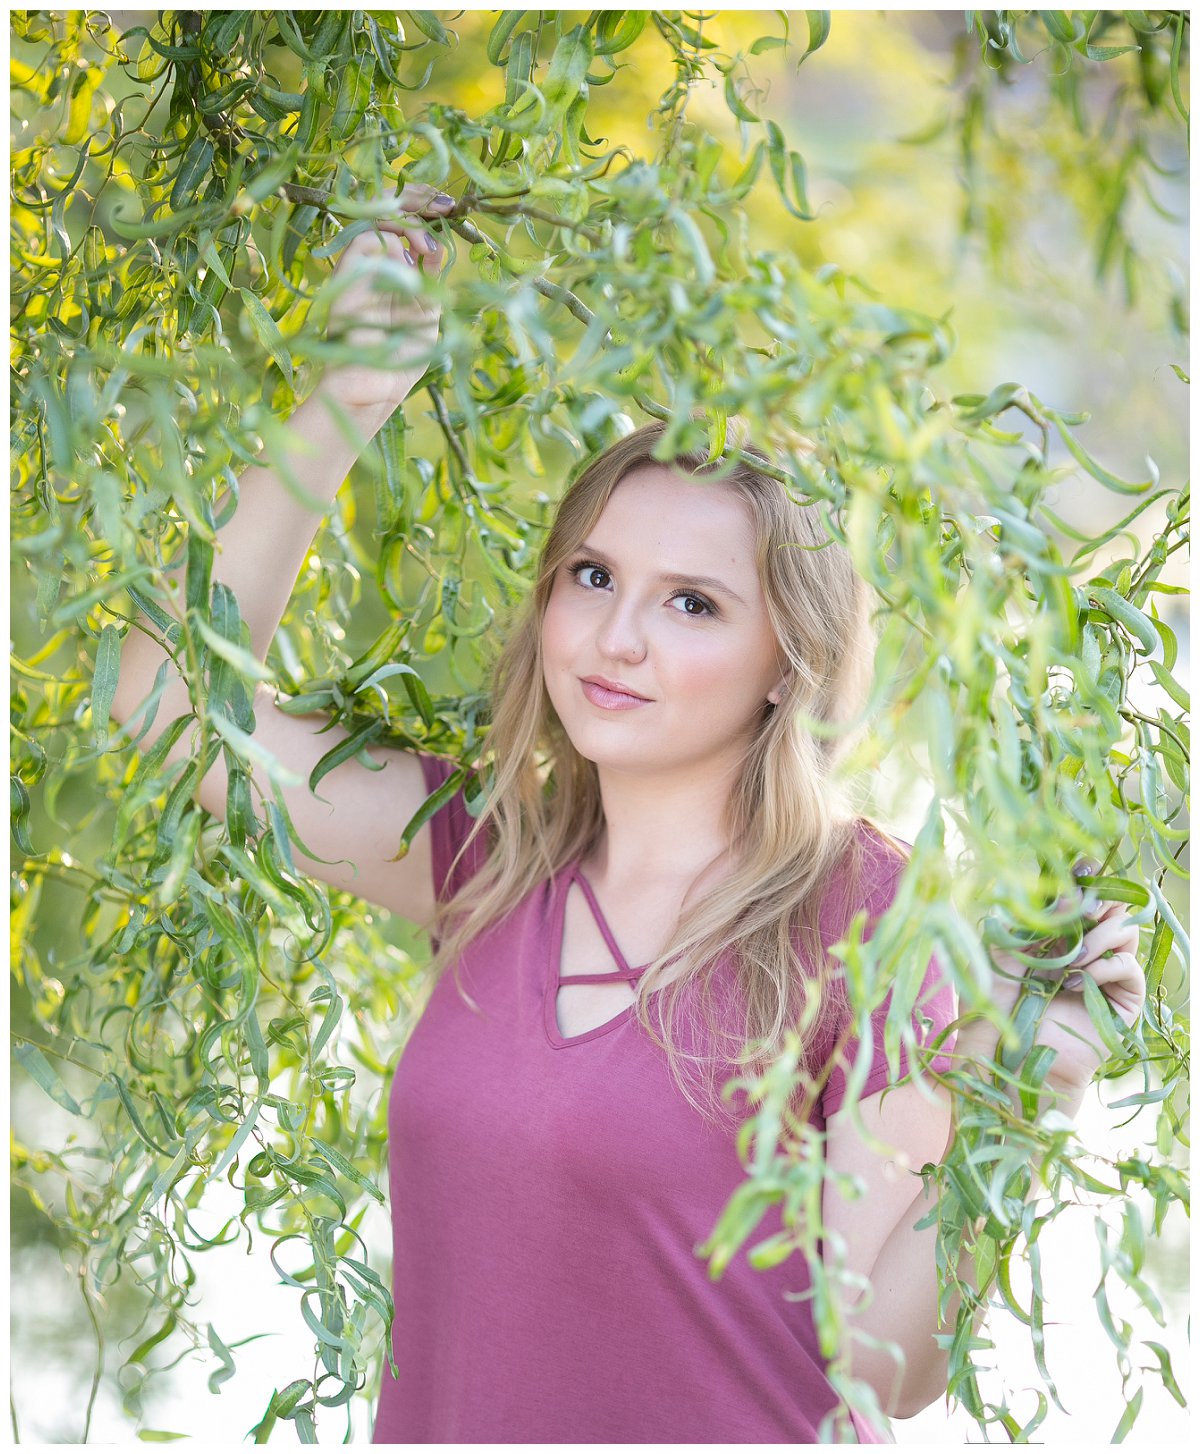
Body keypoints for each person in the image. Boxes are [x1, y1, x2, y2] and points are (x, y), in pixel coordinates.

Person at [108, 184, 1147, 1443]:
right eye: (593, 577)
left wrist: (1032, 1092)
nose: (615, 635)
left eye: (692, 603)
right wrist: (343, 400)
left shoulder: (874, 920)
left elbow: (885, 1360)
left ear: (791, 656)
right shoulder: (490, 859)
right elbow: (171, 707)